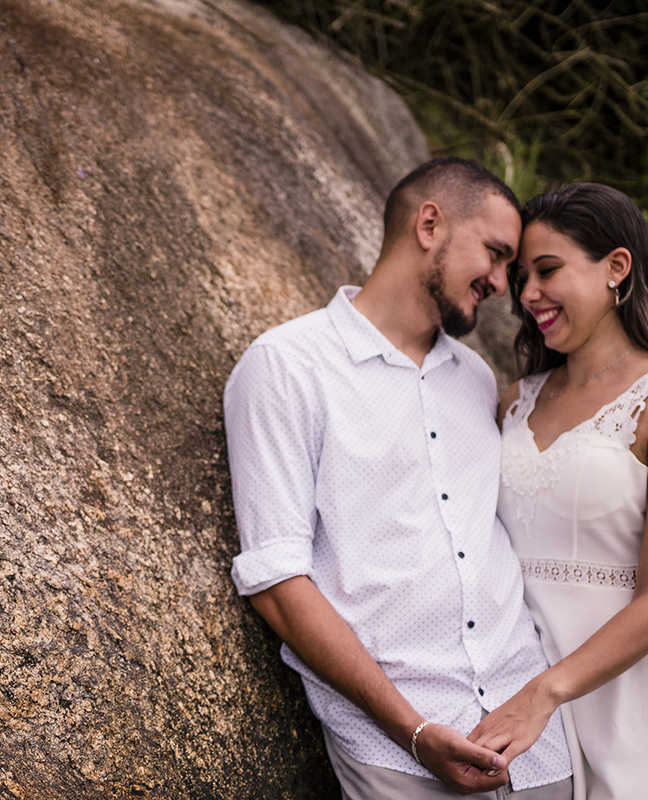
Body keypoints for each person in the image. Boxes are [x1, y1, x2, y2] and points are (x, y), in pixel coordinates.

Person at [224, 157, 573, 799]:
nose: (503, 284)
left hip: (539, 749)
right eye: (496, 255)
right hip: (400, 752)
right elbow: (276, 581)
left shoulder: (474, 381)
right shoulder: (286, 367)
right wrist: (412, 730)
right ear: (430, 224)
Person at [469, 182, 648, 799]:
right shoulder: (511, 402)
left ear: (616, 268)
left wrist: (546, 692)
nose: (527, 294)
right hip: (513, 714)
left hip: (628, 716)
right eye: (522, 275)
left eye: (548, 270)